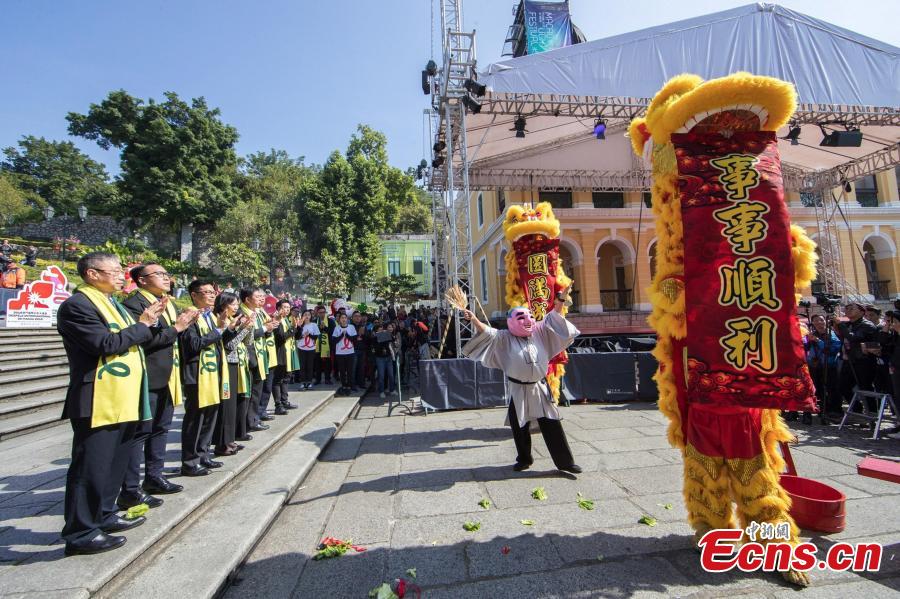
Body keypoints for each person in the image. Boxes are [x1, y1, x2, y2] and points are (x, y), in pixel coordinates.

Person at [58, 251, 167, 555]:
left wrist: (148, 325)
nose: (122, 276)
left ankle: (105, 514)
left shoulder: (112, 304)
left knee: (114, 462)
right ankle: (80, 532)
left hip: (124, 395)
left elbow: (131, 338)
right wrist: (143, 323)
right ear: (92, 274)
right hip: (97, 398)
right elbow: (104, 344)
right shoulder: (77, 306)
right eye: (115, 271)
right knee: (90, 467)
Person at [461, 288, 582, 474]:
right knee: (519, 425)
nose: (527, 321)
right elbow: (487, 331)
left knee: (552, 423)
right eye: (521, 318)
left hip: (540, 388)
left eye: (529, 317)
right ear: (511, 322)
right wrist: (474, 319)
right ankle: (524, 459)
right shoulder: (504, 338)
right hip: (518, 389)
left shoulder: (539, 332)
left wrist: (561, 298)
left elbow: (553, 316)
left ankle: (566, 462)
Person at [119, 263, 198, 506]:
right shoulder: (134, 306)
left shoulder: (167, 304)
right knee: (140, 433)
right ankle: (130, 489)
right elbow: (145, 341)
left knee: (161, 429)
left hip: (168, 376)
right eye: (159, 275)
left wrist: (185, 325)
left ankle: (154, 476)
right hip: (147, 376)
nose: (166, 278)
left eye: (166, 274)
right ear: (141, 280)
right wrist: (177, 327)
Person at [179, 280, 233, 477]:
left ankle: (203, 454)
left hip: (213, 373)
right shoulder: (190, 316)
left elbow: (219, 340)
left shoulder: (209, 316)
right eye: (207, 292)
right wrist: (218, 330)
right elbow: (192, 345)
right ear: (194, 295)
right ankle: (190, 461)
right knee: (196, 419)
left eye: (213, 292)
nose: (212, 296)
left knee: (210, 416)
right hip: (197, 375)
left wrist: (225, 329)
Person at [213, 292, 253, 456]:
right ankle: (222, 443)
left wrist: (248, 328)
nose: (236, 307)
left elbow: (247, 342)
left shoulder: (232, 320)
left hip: (237, 364)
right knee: (226, 405)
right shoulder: (220, 320)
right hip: (226, 364)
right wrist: (241, 329)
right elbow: (229, 345)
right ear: (223, 305)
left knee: (234, 404)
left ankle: (230, 440)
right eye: (233, 304)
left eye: (237, 304)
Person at [239, 288, 278, 431]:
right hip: (249, 357)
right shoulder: (242, 313)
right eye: (258, 296)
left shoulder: (259, 312)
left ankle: (253, 419)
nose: (262, 299)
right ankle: (248, 422)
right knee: (250, 393)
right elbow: (245, 335)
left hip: (260, 355)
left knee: (257, 391)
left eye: (263, 296)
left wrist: (270, 328)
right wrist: (264, 329)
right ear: (247, 299)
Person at [835, 302, 880, 414]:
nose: (848, 310)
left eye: (851, 308)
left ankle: (873, 414)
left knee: (866, 388)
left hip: (864, 361)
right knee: (842, 386)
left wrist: (840, 325)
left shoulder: (867, 325)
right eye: (846, 308)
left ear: (861, 311)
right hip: (850, 360)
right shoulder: (849, 324)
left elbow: (853, 338)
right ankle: (857, 410)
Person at [801, 314, 841, 424]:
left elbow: (832, 350)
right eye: (816, 321)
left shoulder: (831, 334)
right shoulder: (811, 335)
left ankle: (833, 411)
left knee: (831, 389)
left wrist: (818, 341)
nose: (819, 323)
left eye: (821, 320)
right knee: (816, 389)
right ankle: (819, 410)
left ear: (825, 322)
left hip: (829, 366)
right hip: (815, 367)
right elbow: (804, 348)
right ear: (812, 323)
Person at [271, 299, 299, 414]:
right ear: (278, 309)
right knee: (277, 380)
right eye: (284, 307)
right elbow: (281, 337)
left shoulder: (286, 320)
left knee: (286, 378)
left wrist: (296, 327)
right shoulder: (276, 320)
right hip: (280, 354)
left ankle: (285, 401)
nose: (287, 309)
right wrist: (293, 328)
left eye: (288, 307)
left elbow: (293, 336)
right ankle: (278, 405)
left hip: (289, 353)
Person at [331, 312, 357, 395]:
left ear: (347, 319)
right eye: (342, 318)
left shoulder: (351, 327)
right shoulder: (337, 328)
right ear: (339, 320)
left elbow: (354, 340)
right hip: (340, 353)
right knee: (342, 371)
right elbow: (334, 341)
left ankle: (349, 386)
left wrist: (347, 335)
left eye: (345, 318)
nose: (344, 319)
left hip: (350, 352)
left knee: (350, 370)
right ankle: (344, 386)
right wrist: (342, 335)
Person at [373, 322, 400, 399]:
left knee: (391, 375)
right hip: (380, 358)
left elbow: (394, 341)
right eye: (379, 330)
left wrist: (389, 335)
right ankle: (381, 391)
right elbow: (375, 348)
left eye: (382, 330)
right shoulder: (374, 338)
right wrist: (379, 339)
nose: (381, 331)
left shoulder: (386, 335)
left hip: (388, 357)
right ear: (376, 332)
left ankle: (392, 390)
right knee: (381, 375)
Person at [296, 310, 318, 390]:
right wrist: (303, 335)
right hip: (301, 347)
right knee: (302, 366)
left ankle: (309, 382)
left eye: (308, 314)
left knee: (310, 365)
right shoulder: (300, 325)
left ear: (311, 316)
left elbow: (316, 337)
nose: (307, 316)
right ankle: (302, 383)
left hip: (311, 348)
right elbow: (296, 336)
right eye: (305, 314)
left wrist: (309, 335)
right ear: (302, 316)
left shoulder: (314, 325)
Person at [314, 305, 332, 385]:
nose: (322, 314)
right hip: (317, 345)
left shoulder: (330, 321)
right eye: (320, 313)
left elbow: (332, 332)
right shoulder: (314, 321)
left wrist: (325, 328)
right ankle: (318, 379)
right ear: (317, 313)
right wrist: (319, 328)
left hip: (327, 345)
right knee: (317, 364)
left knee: (327, 363)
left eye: (324, 312)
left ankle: (327, 379)